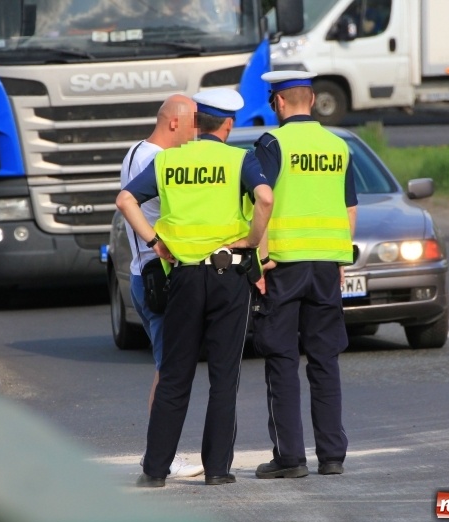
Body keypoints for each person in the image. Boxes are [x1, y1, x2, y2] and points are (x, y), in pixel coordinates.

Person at [117, 87, 273, 488]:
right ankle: (218, 470)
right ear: (227, 124)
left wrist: (155, 242)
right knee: (223, 377)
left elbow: (125, 200)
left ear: (196, 122)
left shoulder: (168, 160)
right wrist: (253, 242)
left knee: (174, 374)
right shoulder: (241, 159)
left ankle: (154, 470)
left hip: (183, 277)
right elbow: (265, 198)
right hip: (229, 278)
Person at [251, 70, 358, 479]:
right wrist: (340, 258)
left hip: (283, 264)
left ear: (279, 103)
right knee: (324, 359)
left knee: (281, 357)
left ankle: (290, 458)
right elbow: (349, 209)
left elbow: (262, 201)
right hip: (327, 265)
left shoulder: (271, 143)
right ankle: (332, 455)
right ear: (311, 100)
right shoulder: (338, 146)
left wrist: (258, 261)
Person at [120, 93, 204, 478]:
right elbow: (127, 203)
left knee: (165, 367)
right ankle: (161, 455)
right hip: (157, 274)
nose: (195, 133)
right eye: (191, 125)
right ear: (174, 123)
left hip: (146, 273)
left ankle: (161, 454)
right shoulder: (155, 160)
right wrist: (156, 242)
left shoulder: (136, 150)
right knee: (169, 371)